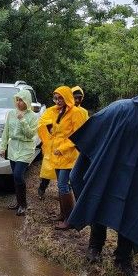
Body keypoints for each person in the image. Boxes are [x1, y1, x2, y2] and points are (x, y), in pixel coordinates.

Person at [67, 79, 138, 276]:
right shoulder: (121, 109)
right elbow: (94, 131)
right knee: (101, 203)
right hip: (111, 172)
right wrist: (90, 162)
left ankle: (123, 260)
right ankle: (95, 247)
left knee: (134, 214)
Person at [38, 86, 87, 229]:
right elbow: (47, 124)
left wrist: (62, 148)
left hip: (68, 155)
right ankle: (63, 214)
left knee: (63, 185)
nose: (58, 101)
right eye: (56, 98)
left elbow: (78, 135)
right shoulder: (57, 111)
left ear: (67, 98)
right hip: (57, 154)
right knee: (61, 185)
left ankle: (69, 220)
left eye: (60, 98)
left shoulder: (76, 113)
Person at [0, 90, 38, 216]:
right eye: (17, 100)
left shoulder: (33, 116)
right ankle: (18, 202)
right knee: (15, 177)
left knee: (18, 175)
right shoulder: (11, 113)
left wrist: (22, 120)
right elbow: (6, 131)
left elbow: (31, 134)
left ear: (27, 101)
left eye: (21, 100)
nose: (19, 102)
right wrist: (2, 147)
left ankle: (23, 204)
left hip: (26, 148)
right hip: (13, 147)